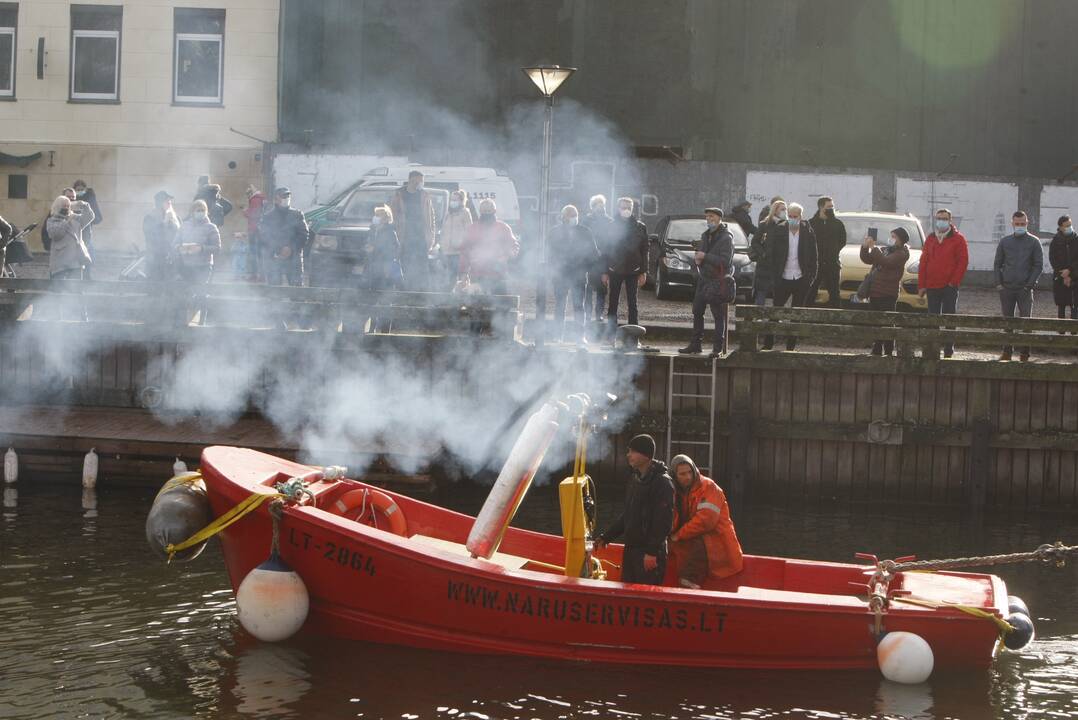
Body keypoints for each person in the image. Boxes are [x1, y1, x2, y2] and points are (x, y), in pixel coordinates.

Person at [595, 434, 674, 586]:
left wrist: (651, 553)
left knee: (646, 598)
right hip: (631, 550)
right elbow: (628, 515)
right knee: (627, 593)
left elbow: (663, 522)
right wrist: (607, 537)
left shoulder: (662, 483)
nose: (628, 455)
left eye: (633, 451)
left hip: (648, 554)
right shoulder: (635, 479)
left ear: (645, 455)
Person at [667, 454, 743, 589]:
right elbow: (672, 520)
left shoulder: (709, 488)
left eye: (690, 472)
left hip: (718, 542)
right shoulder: (676, 492)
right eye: (682, 474)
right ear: (675, 476)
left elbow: (705, 522)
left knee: (696, 540)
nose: (688, 477)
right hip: (693, 540)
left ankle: (690, 580)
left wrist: (678, 535)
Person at [762, 202, 817, 350]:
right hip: (782, 277)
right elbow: (771, 254)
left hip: (800, 278)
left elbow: (814, 257)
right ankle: (768, 344)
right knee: (775, 312)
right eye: (790, 216)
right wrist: (775, 277)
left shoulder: (808, 231)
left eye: (795, 216)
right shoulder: (779, 230)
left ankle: (790, 347)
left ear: (801, 216)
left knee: (796, 315)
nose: (792, 219)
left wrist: (809, 279)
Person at [679, 208, 734, 357]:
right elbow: (701, 256)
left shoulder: (726, 238)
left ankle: (717, 348)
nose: (709, 219)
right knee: (697, 311)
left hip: (717, 281)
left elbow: (725, 261)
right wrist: (698, 260)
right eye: (707, 217)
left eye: (712, 216)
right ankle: (695, 344)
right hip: (703, 279)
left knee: (718, 314)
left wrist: (705, 256)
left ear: (719, 218)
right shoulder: (705, 235)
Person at [918, 208, 969, 358]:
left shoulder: (958, 239)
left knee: (949, 318)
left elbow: (963, 262)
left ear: (950, 220)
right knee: (932, 319)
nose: (941, 221)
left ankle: (948, 348)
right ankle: (933, 348)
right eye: (939, 218)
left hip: (949, 287)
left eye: (944, 218)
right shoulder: (931, 238)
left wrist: (953, 282)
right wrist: (922, 285)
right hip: (932, 285)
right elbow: (923, 262)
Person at [994, 211, 1043, 361]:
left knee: (1026, 322)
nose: (1020, 226)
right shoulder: (1005, 241)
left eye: (1022, 224)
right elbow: (997, 264)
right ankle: (1007, 351)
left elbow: (1038, 265)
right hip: (1007, 288)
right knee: (1007, 322)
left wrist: (1029, 285)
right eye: (1017, 224)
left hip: (1025, 289)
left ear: (1027, 223)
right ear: (1012, 223)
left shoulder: (1034, 242)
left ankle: (1024, 353)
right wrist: (998, 284)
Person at [547, 204, 599, 343]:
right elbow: (549, 254)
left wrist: (588, 268)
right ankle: (557, 335)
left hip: (579, 275)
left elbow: (593, 253)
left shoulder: (585, 231)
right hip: (560, 275)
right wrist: (553, 269)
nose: (573, 218)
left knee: (579, 306)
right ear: (563, 217)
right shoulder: (554, 232)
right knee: (560, 305)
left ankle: (580, 336)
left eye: (575, 215)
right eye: (570, 215)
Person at [859, 227, 911, 356]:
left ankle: (888, 350)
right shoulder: (886, 250)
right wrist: (865, 247)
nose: (891, 239)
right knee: (876, 322)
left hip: (888, 293)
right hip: (875, 291)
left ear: (901, 239)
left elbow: (886, 262)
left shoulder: (902, 254)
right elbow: (868, 259)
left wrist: (874, 248)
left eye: (894, 236)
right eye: (891, 235)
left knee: (887, 322)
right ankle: (877, 348)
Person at [603, 197, 648, 344]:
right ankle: (610, 336)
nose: (626, 210)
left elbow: (645, 250)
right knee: (613, 303)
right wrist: (604, 271)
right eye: (623, 207)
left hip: (633, 269)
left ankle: (633, 338)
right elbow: (606, 250)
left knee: (633, 303)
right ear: (618, 208)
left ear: (632, 208)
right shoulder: (610, 226)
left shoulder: (640, 226)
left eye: (628, 207)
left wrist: (643, 271)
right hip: (614, 268)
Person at [458, 198, 518, 295]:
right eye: (484, 211)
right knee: (477, 305)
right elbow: (464, 252)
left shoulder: (503, 228)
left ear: (494, 211)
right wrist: (463, 273)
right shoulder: (472, 229)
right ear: (480, 211)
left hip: (498, 275)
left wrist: (506, 257)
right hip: (477, 274)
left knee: (501, 304)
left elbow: (513, 246)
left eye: (488, 211)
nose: (486, 213)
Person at [389, 170, 436, 291]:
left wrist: (431, 236)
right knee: (406, 266)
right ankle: (406, 293)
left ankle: (422, 294)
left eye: (422, 181)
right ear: (412, 180)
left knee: (422, 268)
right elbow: (392, 214)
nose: (421, 183)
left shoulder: (425, 195)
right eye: (420, 180)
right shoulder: (399, 194)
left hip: (421, 238)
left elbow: (431, 217)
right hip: (404, 237)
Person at [258, 187, 309, 286]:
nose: (286, 198)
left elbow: (304, 234)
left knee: (296, 290)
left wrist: (290, 248)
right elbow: (264, 236)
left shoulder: (297, 215)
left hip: (294, 258)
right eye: (283, 196)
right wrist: (279, 249)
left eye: (288, 196)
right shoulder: (268, 217)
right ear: (276, 199)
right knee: (274, 291)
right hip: (274, 257)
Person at [364, 205, 402, 332]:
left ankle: (386, 332)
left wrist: (376, 249)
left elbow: (393, 251)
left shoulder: (390, 232)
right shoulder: (372, 231)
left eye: (378, 215)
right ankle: (372, 328)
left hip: (385, 272)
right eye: (375, 214)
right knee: (372, 301)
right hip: (372, 270)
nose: (375, 217)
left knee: (385, 301)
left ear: (386, 218)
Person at [808, 196, 846, 308]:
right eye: (829, 206)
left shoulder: (837, 224)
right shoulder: (811, 223)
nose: (831, 208)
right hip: (815, 264)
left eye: (832, 206)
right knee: (810, 292)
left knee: (834, 293)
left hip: (832, 263)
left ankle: (835, 319)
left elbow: (842, 241)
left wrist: (832, 252)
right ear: (821, 207)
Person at [46, 194, 94, 280]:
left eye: (68, 206)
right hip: (60, 262)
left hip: (76, 262)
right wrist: (66, 220)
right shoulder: (52, 220)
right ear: (58, 207)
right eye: (63, 206)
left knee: (76, 289)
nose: (66, 208)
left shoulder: (75, 218)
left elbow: (89, 217)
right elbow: (56, 235)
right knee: (59, 290)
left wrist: (85, 205)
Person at [581, 194, 613, 326]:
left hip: (603, 260)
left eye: (602, 204)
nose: (600, 207)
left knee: (602, 289)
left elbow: (612, 242)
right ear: (592, 207)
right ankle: (587, 315)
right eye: (597, 204)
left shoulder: (609, 221)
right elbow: (581, 238)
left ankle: (598, 314)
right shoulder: (586, 221)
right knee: (587, 289)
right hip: (588, 260)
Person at [748, 199, 786, 306]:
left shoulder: (786, 225)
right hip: (765, 264)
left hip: (779, 265)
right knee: (761, 292)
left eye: (785, 209)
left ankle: (774, 318)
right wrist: (763, 253)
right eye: (782, 209)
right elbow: (755, 241)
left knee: (778, 294)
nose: (784, 211)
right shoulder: (765, 224)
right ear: (775, 210)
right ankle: (758, 316)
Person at [174, 199, 220, 283]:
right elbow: (175, 243)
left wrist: (201, 248)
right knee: (188, 292)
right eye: (198, 210)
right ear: (192, 212)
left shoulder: (211, 227)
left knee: (200, 291)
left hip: (204, 266)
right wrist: (180, 248)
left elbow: (217, 248)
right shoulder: (184, 226)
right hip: (186, 266)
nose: (200, 212)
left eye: (203, 210)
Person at [142, 190, 180, 281]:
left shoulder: (175, 218)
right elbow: (151, 237)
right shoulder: (150, 218)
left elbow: (181, 234)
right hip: (155, 259)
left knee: (171, 288)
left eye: (170, 201)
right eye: (167, 201)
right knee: (155, 288)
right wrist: (164, 223)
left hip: (173, 258)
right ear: (159, 203)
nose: (169, 203)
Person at [440, 190, 473, 289]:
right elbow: (444, 230)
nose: (452, 201)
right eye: (452, 199)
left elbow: (469, 231)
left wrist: (463, 245)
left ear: (461, 201)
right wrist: (441, 245)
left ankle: (459, 295)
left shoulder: (465, 213)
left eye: (455, 199)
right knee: (448, 276)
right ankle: (448, 296)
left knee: (458, 276)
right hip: (446, 251)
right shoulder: (448, 213)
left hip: (458, 251)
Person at [1049, 214, 1078, 322]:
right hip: (1060, 277)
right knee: (1061, 306)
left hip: (1075, 277)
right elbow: (1053, 259)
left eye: (1070, 225)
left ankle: (1074, 333)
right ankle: (1060, 332)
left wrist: (1070, 272)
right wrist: (1063, 273)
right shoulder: (1055, 241)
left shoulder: (1076, 239)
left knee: (1075, 306)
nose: (1069, 227)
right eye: (1067, 226)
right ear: (1060, 227)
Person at [72, 180, 103, 269]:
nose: (80, 191)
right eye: (78, 189)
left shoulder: (90, 201)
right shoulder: (71, 200)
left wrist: (86, 219)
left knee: (87, 255)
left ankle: (86, 276)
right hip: (72, 233)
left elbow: (98, 218)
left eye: (82, 189)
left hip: (86, 232)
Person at [243, 185, 267, 280]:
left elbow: (255, 214)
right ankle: (262, 275)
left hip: (254, 229)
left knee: (254, 253)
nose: (247, 196)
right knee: (260, 252)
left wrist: (245, 212)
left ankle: (255, 275)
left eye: (248, 194)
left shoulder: (255, 199)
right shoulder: (261, 198)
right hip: (260, 229)